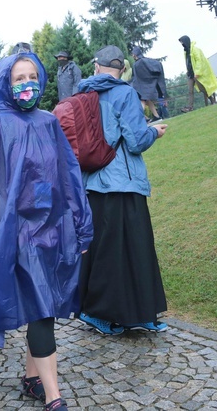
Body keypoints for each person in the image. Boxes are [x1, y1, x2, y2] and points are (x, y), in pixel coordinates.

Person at [0, 51, 92, 411]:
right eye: (18, 77)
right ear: (5, 84)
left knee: (40, 305)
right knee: (41, 307)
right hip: (13, 233)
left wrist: (81, 225)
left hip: (50, 230)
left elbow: (68, 176)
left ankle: (33, 378)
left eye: (32, 76)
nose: (26, 83)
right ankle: (54, 396)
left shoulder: (48, 123)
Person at [76, 45, 169, 337]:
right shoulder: (125, 93)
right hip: (123, 183)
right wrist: (155, 131)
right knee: (135, 248)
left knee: (106, 250)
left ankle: (128, 313)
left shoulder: (81, 95)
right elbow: (136, 140)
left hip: (92, 183)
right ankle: (108, 313)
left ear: (96, 66)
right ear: (124, 68)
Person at [179, 36, 217, 112]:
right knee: (190, 90)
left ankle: (212, 100)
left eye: (182, 42)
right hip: (190, 74)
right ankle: (190, 107)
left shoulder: (195, 50)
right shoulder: (186, 51)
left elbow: (199, 61)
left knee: (202, 89)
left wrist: (197, 72)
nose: (182, 44)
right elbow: (188, 62)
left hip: (196, 73)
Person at [130, 46, 166, 121]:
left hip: (141, 86)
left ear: (135, 54)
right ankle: (156, 116)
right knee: (148, 101)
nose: (132, 55)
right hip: (147, 85)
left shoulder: (136, 64)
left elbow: (135, 77)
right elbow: (156, 64)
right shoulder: (146, 61)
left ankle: (137, 120)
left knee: (142, 101)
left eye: (133, 54)